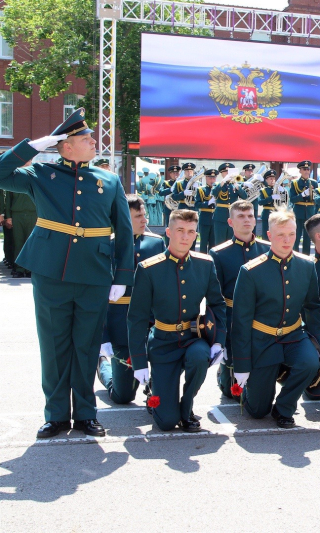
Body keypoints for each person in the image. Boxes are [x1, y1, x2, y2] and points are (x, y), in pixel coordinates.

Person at [0, 108, 134, 438]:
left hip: (94, 273)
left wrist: (122, 277)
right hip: (51, 272)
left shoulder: (108, 180)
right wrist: (33, 146)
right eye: (85, 138)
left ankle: (86, 414)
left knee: (87, 346)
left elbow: (124, 232)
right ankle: (57, 414)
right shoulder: (42, 175)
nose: (93, 142)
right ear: (66, 146)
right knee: (55, 346)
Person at [127, 209, 225, 432]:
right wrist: (140, 361)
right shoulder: (148, 268)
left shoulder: (205, 264)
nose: (185, 236)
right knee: (167, 423)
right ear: (168, 232)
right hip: (163, 342)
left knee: (200, 357)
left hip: (192, 339)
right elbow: (137, 318)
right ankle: (158, 391)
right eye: (180, 230)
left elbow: (217, 305)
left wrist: (219, 341)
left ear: (196, 234)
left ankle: (187, 407)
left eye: (191, 231)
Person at [230, 209, 320, 428]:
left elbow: (312, 306)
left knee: (310, 363)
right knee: (256, 411)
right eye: (280, 235)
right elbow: (241, 321)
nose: (286, 240)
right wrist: (241, 364)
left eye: (291, 234)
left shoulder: (306, 265)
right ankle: (240, 383)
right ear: (269, 235)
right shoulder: (250, 271)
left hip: (293, 334)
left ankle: (284, 408)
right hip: (262, 339)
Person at [97, 196, 165, 404]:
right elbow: (98, 296)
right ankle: (102, 366)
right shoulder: (107, 244)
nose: (144, 220)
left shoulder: (156, 243)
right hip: (120, 328)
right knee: (122, 396)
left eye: (144, 215)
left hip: (149, 323)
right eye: (138, 216)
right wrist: (103, 336)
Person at [209, 199, 271, 399]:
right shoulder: (219, 254)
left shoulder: (268, 249)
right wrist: (219, 337)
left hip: (263, 319)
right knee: (232, 393)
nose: (247, 220)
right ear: (230, 222)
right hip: (233, 320)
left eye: (250, 216)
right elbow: (215, 299)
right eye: (241, 216)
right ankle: (223, 376)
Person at [211, 163, 247, 246]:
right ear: (221, 173)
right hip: (220, 217)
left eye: (229, 172)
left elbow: (244, 196)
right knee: (219, 242)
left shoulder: (235, 185)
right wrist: (223, 181)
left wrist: (237, 186)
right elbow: (214, 193)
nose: (227, 174)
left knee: (232, 241)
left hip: (233, 216)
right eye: (225, 172)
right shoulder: (217, 185)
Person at [4, 189, 37, 278]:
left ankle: (29, 269)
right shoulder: (14, 181)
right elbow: (8, 201)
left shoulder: (33, 179)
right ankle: (19, 269)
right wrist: (9, 217)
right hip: (17, 214)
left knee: (30, 243)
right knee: (18, 242)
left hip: (32, 214)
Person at [289, 161, 318, 254]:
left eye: (308, 169)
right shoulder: (295, 183)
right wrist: (302, 195)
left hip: (310, 212)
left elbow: (316, 200)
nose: (306, 171)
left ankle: (306, 257)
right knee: (296, 236)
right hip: (298, 212)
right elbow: (292, 199)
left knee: (307, 238)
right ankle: (295, 255)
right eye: (304, 169)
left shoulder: (313, 182)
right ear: (300, 171)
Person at [194, 168, 218, 254]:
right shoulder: (201, 189)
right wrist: (208, 203)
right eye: (210, 178)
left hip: (215, 219)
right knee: (203, 243)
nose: (212, 180)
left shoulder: (218, 188)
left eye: (214, 178)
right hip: (205, 218)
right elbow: (197, 204)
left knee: (213, 243)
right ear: (206, 178)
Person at [257, 170, 278, 239]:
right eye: (270, 179)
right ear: (266, 180)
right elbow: (260, 202)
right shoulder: (263, 190)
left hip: (277, 214)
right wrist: (271, 198)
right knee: (265, 235)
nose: (272, 180)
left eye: (274, 178)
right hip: (267, 214)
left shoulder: (278, 189)